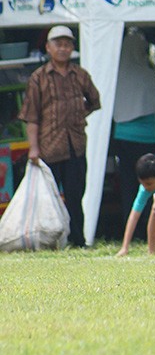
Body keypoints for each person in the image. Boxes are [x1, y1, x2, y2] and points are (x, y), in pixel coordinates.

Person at [19, 25, 101, 247]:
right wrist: (33, 148)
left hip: (76, 145)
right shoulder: (39, 78)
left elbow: (95, 100)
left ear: (72, 48)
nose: (63, 49)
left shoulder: (80, 75)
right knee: (49, 199)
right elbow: (31, 116)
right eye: (58, 44)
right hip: (49, 147)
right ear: (48, 47)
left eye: (67, 44)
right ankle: (52, 240)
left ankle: (78, 240)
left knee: (76, 195)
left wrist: (78, 112)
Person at [111, 31, 155, 240]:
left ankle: (132, 233)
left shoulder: (114, 77)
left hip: (123, 141)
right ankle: (151, 232)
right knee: (153, 186)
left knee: (129, 186)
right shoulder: (147, 75)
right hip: (147, 142)